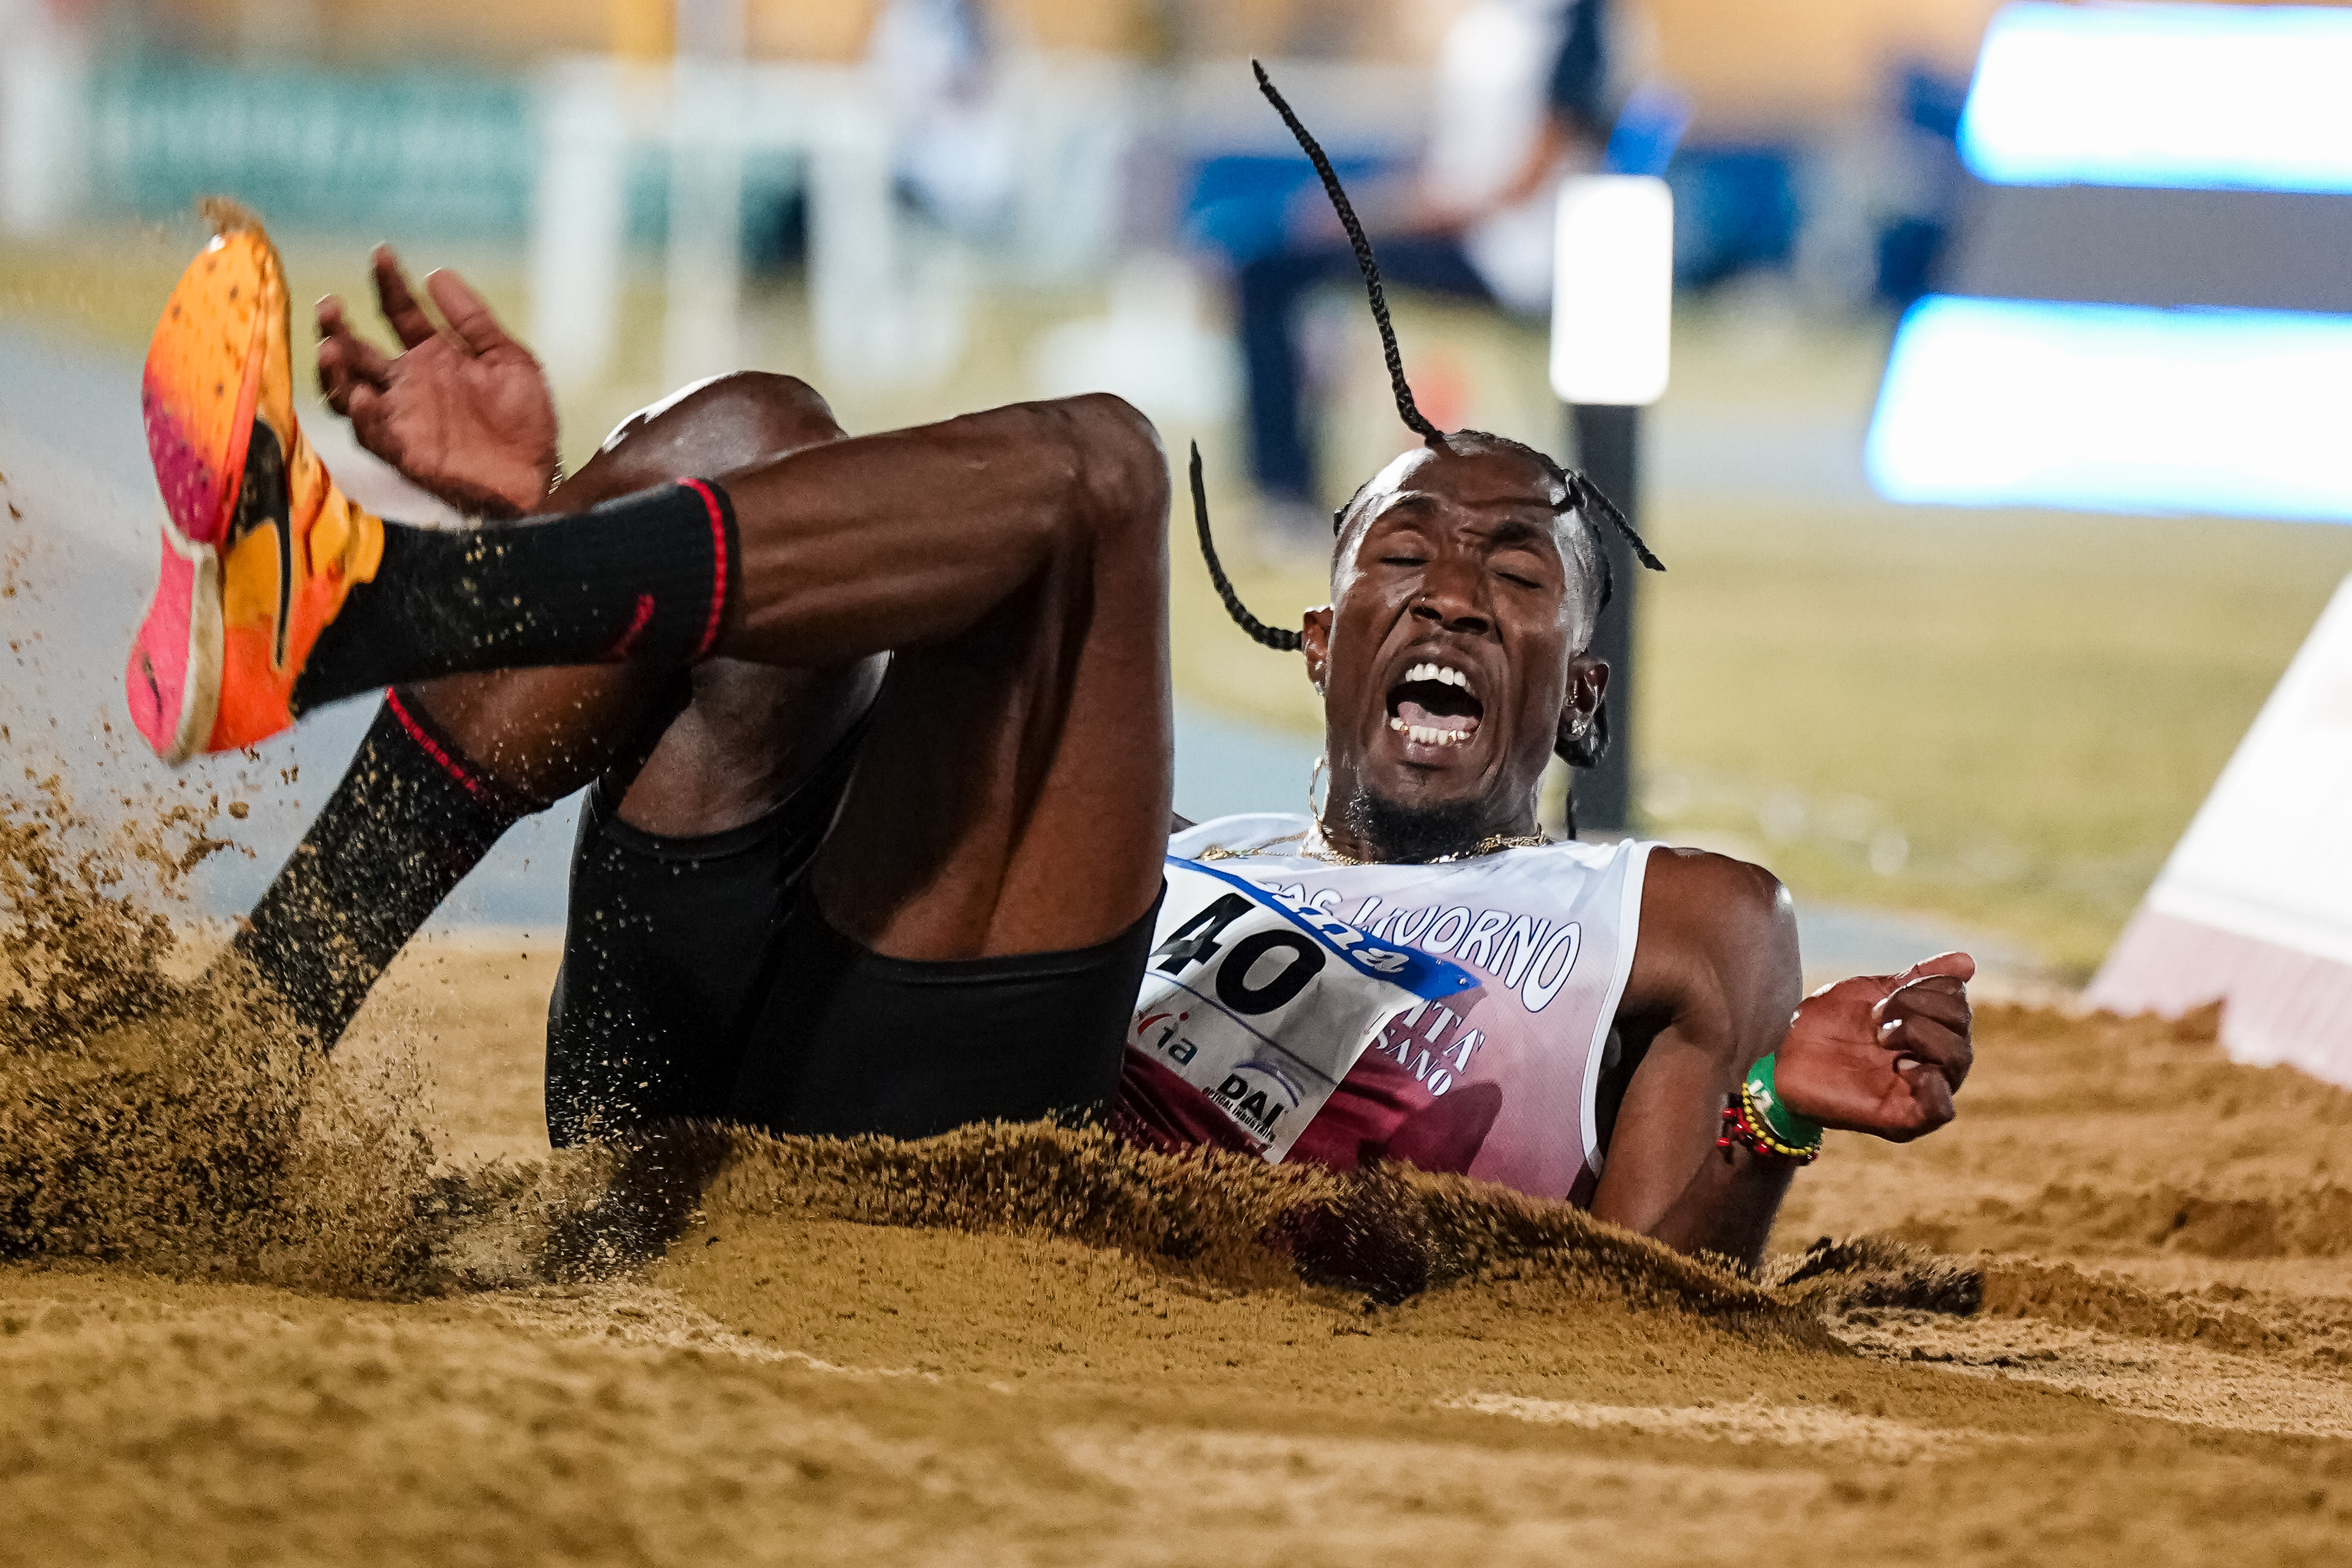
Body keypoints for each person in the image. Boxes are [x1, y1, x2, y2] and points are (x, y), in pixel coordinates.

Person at [123, 78, 1970, 1275]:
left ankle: (397, 605)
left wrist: (1771, 1118)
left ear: (1581, 698)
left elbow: (1654, 1296)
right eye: (1400, 560)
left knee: (1099, 470)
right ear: (1319, 644)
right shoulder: (1144, 847)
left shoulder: (1674, 914)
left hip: (979, 1211)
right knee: (748, 428)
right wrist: (585, 538)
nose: (1453, 600)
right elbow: (875, 808)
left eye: (1516, 574)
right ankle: (235, 1052)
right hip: (690, 1106)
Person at [1238, 0, 1613, 546]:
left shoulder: (1584, 26)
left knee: (1275, 273)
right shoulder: (1501, 20)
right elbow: (1449, 161)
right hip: (1462, 231)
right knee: (1270, 264)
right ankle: (1285, 492)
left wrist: (1384, 216)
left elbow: (1524, 182)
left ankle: (1285, 494)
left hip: (1513, 255)